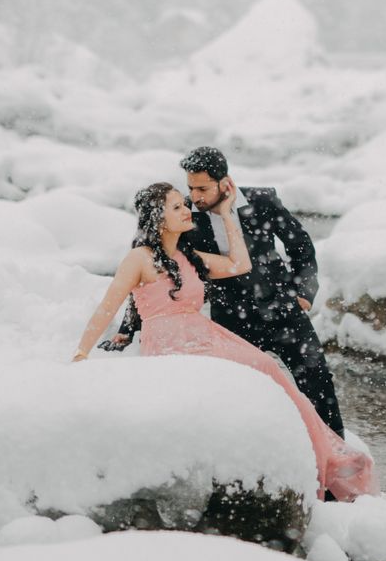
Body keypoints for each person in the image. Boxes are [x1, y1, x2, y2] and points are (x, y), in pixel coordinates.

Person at [71, 180, 377, 503]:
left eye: (184, 203)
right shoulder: (140, 258)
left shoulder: (189, 256)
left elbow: (239, 264)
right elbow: (109, 305)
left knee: (266, 368)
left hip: (204, 334)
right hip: (169, 344)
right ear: (158, 217)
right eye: (177, 207)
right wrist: (82, 351)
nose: (187, 209)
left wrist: (228, 215)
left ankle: (323, 457)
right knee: (246, 377)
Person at [109, 146, 345, 436]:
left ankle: (338, 466)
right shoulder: (183, 214)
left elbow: (301, 247)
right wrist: (128, 328)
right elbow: (151, 261)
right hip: (231, 319)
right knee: (242, 397)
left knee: (319, 385)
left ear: (225, 181)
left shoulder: (263, 201)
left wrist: (304, 294)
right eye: (191, 187)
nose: (195, 196)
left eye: (203, 188)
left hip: (284, 311)